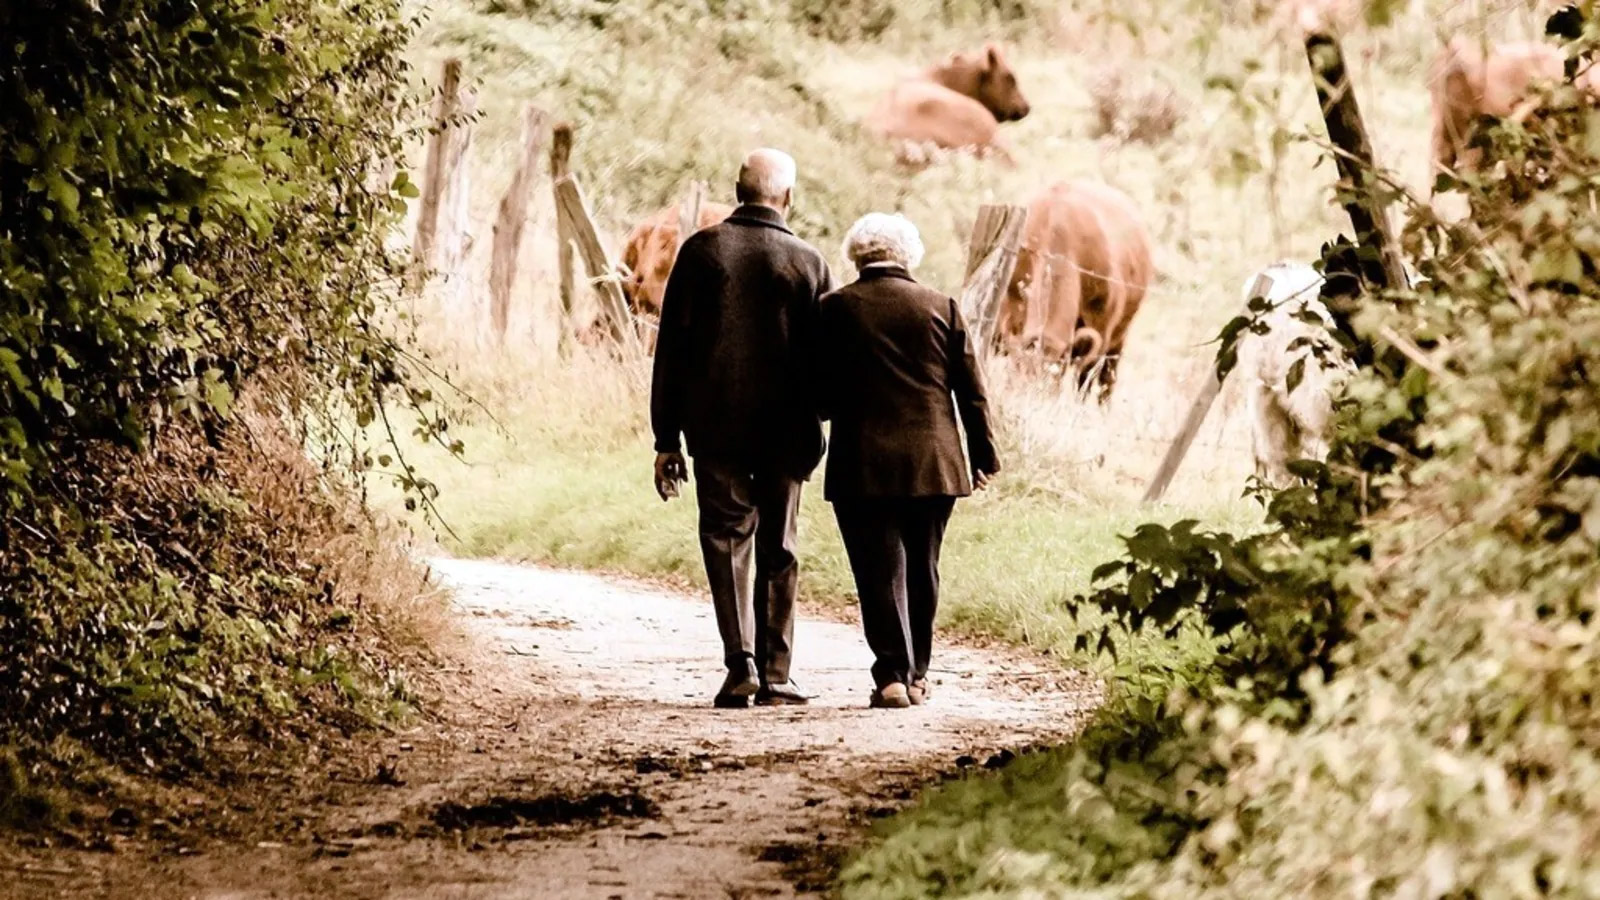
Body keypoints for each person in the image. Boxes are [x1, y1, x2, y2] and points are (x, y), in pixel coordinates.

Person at [650, 148, 835, 709]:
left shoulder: (702, 252)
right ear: (789, 198)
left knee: (727, 540)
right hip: (788, 430)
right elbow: (825, 357)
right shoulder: (808, 261)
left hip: (715, 426)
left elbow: (672, 352)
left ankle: (741, 665)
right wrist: (821, 417)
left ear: (737, 190)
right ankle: (778, 674)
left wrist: (666, 439)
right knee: (780, 544)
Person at [816, 213, 999, 709]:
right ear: (909, 254)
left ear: (856, 254)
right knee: (923, 566)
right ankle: (918, 673)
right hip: (935, 461)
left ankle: (891, 676)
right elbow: (972, 392)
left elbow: (819, 392)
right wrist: (983, 455)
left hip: (862, 462)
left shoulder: (833, 309)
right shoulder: (942, 307)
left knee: (878, 570)